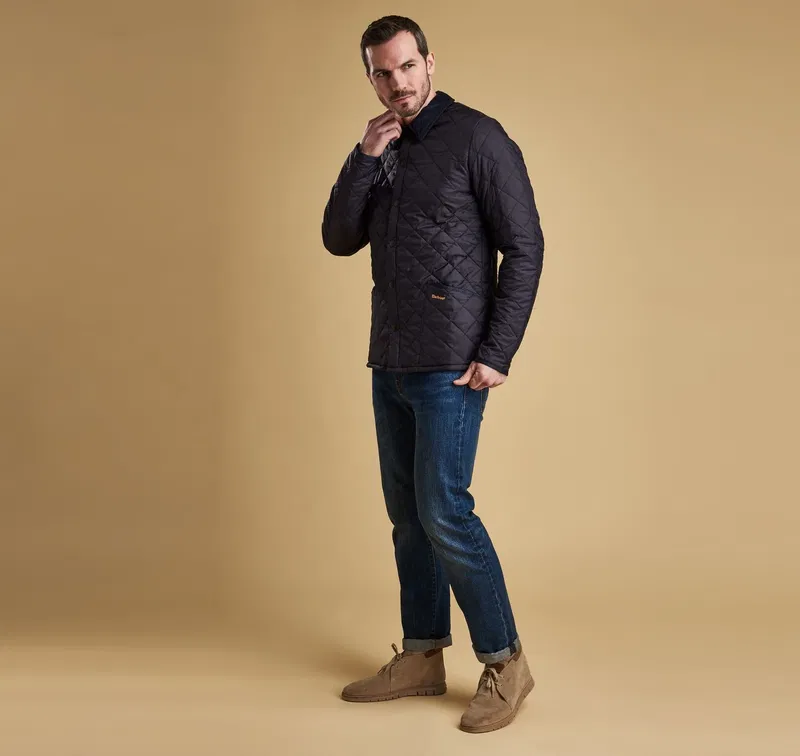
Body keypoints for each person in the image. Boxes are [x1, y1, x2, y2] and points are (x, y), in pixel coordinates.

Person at [321, 14, 544, 734]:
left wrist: (497, 351)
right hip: (389, 358)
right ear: (370, 78)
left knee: (444, 510)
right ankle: (421, 655)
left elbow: (525, 246)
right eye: (383, 73)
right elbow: (338, 238)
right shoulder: (381, 146)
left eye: (407, 67)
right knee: (407, 518)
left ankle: (507, 663)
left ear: (430, 62)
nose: (398, 83)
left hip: (452, 363)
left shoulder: (478, 137)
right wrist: (363, 157)